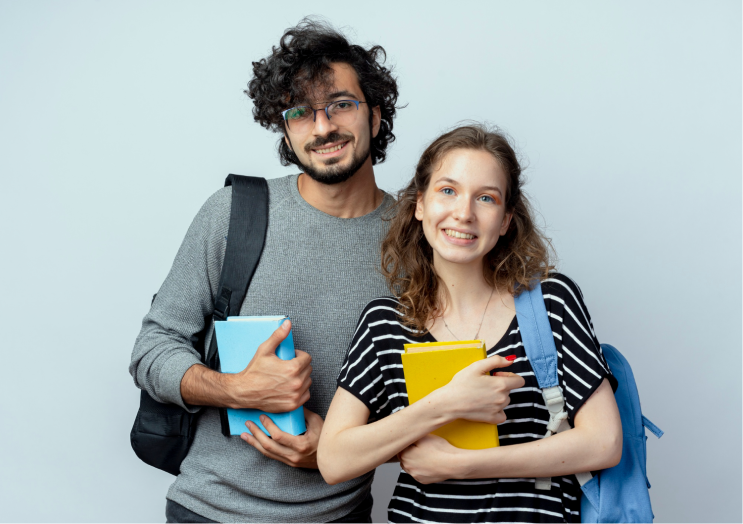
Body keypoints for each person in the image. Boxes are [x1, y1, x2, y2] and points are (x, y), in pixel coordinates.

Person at [129, 19, 399, 524]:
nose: (322, 127)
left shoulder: (420, 238)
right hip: (208, 510)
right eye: (300, 112)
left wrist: (347, 449)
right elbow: (152, 350)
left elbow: (435, 402)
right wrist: (234, 389)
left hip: (340, 514)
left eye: (340, 104)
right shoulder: (235, 212)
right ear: (285, 129)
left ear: (376, 115)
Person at [318, 124, 623, 523]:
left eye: (486, 198)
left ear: (505, 220)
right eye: (448, 190)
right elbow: (334, 460)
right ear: (419, 204)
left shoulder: (552, 303)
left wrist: (462, 465)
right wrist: (445, 405)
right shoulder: (384, 323)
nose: (464, 212)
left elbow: (604, 443)